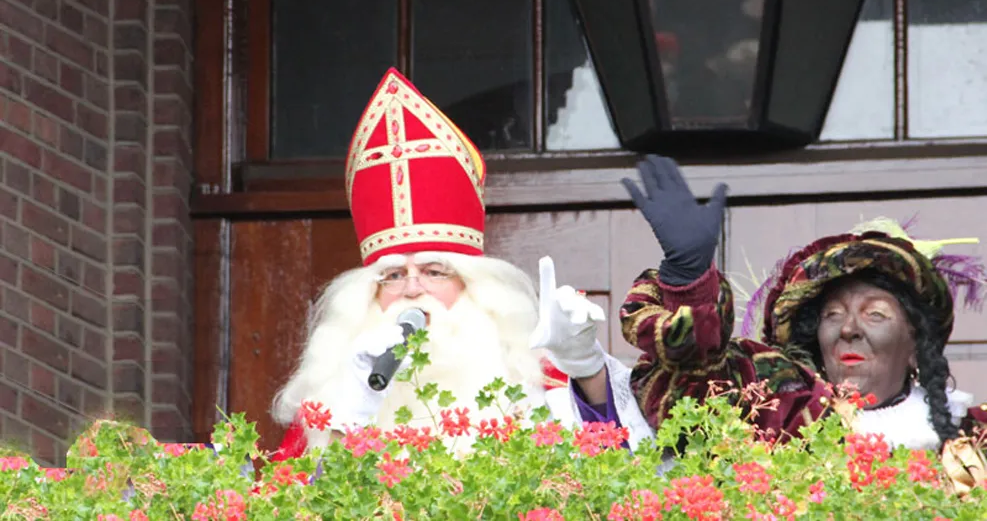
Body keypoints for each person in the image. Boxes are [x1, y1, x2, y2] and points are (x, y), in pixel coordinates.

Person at [269, 68, 653, 460]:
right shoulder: (335, 394)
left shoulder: (532, 374)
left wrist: (586, 369)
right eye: (393, 276)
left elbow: (617, 469)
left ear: (476, 286)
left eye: (434, 271)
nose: (412, 288)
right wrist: (351, 415)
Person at [617, 155, 987, 452]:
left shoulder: (971, 439)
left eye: (876, 314)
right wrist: (689, 280)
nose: (849, 329)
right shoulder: (777, 414)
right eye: (832, 314)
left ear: (914, 348)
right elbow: (699, 387)